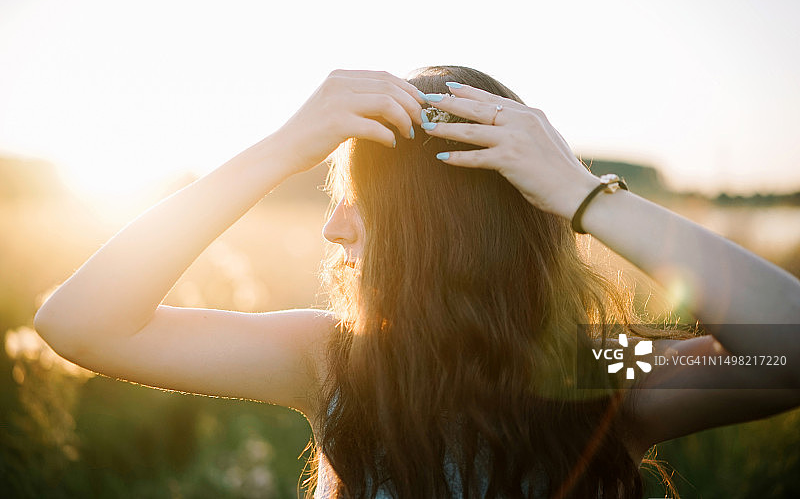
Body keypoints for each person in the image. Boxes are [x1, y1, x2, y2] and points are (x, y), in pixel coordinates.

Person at [34, 66, 800, 498]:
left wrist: (579, 193)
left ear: (441, 235)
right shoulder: (339, 362)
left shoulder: (595, 369)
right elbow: (79, 323)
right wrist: (282, 147)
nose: (334, 230)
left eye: (360, 206)